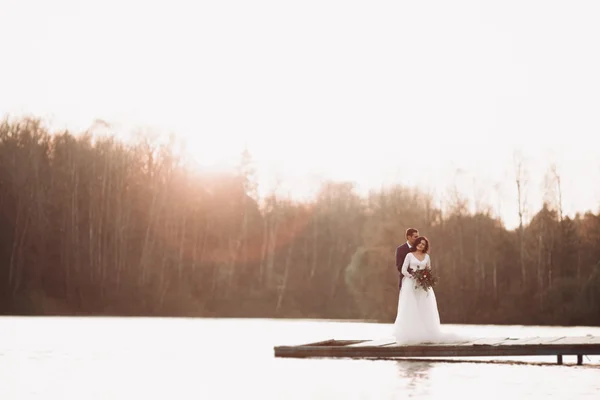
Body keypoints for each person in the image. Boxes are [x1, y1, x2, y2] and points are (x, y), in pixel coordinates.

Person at [392, 236, 464, 345]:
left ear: (425, 246)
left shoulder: (427, 257)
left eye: (423, 244)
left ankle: (426, 333)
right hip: (410, 284)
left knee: (424, 307)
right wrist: (414, 276)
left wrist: (425, 278)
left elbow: (428, 270)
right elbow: (403, 270)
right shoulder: (409, 255)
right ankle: (410, 333)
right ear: (416, 243)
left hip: (422, 285)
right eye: (420, 243)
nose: (421, 245)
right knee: (410, 307)